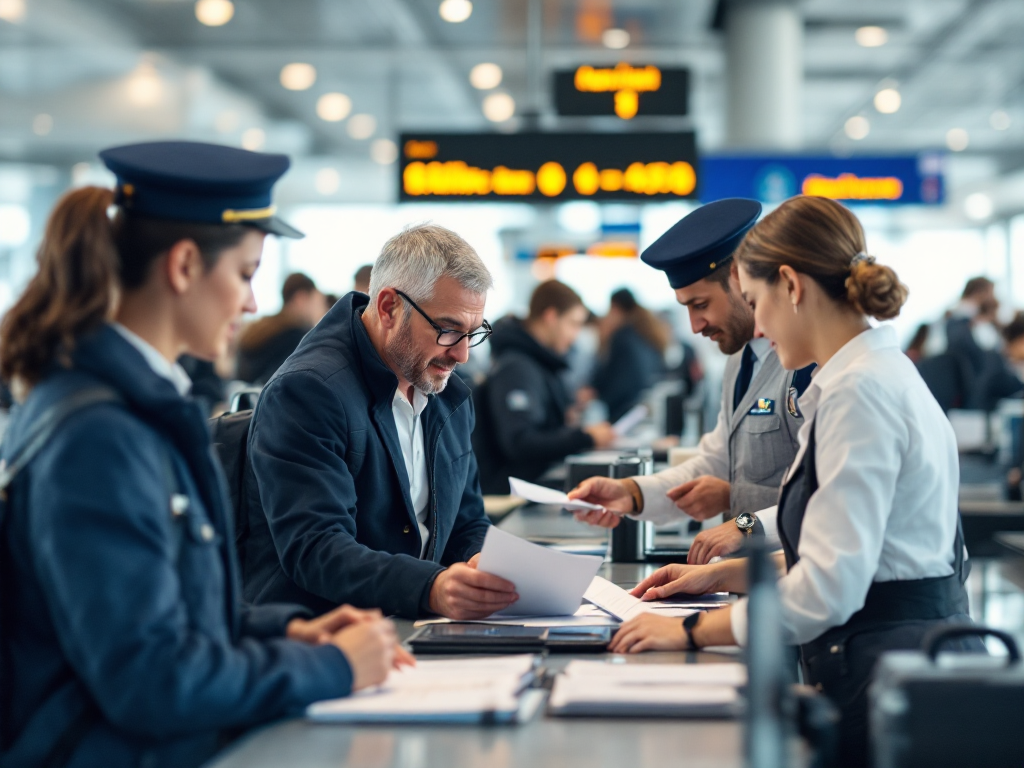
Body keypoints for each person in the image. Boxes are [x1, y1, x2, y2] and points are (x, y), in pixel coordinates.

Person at [0, 141, 405, 768]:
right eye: (244, 274)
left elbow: (158, 607)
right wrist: (331, 666)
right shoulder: (100, 436)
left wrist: (281, 630)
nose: (251, 303)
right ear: (185, 265)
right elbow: (152, 680)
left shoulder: (135, 405)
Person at [605, 195, 981, 767]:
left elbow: (828, 587)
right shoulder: (867, 377)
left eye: (757, 301)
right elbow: (858, 552)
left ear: (791, 285)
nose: (757, 324)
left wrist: (691, 632)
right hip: (893, 663)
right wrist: (722, 575)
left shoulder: (859, 393)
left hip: (890, 673)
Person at [242, 224, 518, 621]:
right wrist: (431, 587)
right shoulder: (309, 391)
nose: (462, 355)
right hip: (325, 633)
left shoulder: (447, 395)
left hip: (411, 622)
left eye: (472, 334)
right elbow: (317, 548)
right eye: (448, 330)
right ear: (388, 307)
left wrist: (478, 563)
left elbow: (467, 521)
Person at [570, 199, 812, 564]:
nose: (695, 326)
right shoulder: (740, 361)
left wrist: (740, 515)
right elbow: (715, 461)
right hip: (749, 576)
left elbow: (826, 501)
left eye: (700, 304)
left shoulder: (810, 361)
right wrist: (632, 493)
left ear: (740, 279)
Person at [474, 280, 615, 494]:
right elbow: (519, 442)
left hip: (533, 482)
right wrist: (585, 437)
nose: (575, 335)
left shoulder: (537, 362)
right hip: (514, 491)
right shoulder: (517, 367)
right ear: (551, 317)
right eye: (573, 324)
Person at [236, 272, 329, 385]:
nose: (322, 311)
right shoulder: (297, 338)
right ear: (301, 299)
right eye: (319, 303)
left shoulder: (261, 328)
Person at [591, 288, 668, 422]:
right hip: (642, 409)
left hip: (622, 411)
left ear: (615, 308)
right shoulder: (647, 334)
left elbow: (610, 379)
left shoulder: (621, 337)